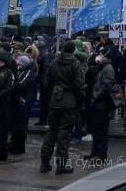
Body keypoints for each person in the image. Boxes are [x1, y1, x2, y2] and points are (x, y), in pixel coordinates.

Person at [40, 41, 85, 175]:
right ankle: (62, 164)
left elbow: (47, 83)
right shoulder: (75, 64)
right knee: (64, 133)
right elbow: (79, 85)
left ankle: (44, 162)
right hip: (69, 102)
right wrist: (79, 101)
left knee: (52, 132)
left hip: (55, 100)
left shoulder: (54, 63)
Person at [8, 55, 37, 154]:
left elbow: (20, 84)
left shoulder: (28, 73)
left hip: (23, 102)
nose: (17, 63)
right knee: (16, 125)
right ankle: (14, 144)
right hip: (19, 102)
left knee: (20, 126)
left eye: (19, 62)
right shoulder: (22, 71)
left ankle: (18, 147)